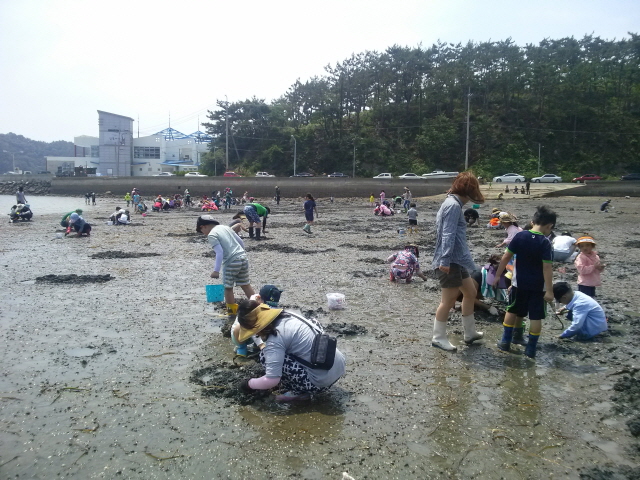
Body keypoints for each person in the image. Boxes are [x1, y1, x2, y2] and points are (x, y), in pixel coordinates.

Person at [236, 299, 346, 403]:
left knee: (264, 357)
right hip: (338, 367)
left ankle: (299, 393)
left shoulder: (275, 340)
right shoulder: (290, 315)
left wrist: (248, 384)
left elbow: (272, 380)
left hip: (320, 383)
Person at [431, 172, 485, 351]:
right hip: (449, 261)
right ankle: (438, 337)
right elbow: (447, 233)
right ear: (467, 191)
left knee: (470, 291)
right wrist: (445, 260)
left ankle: (470, 333)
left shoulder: (451, 203)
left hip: (457, 260)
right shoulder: (453, 206)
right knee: (448, 301)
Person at [494, 205, 557, 358]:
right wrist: (549, 291)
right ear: (550, 226)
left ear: (532, 221)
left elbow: (506, 257)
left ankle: (505, 342)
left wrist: (497, 275)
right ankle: (531, 349)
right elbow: (547, 268)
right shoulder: (545, 242)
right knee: (535, 317)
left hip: (518, 284)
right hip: (538, 287)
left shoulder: (520, 236)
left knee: (512, 310)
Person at [196, 215, 255, 315]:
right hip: (243, 258)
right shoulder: (226, 228)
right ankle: (258, 307)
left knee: (228, 288)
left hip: (231, 261)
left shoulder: (212, 235)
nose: (204, 234)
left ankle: (231, 312)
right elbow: (240, 242)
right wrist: (241, 253)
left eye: (202, 232)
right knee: (245, 284)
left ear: (203, 227)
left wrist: (216, 271)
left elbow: (219, 252)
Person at [230, 285, 284, 356]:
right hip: (239, 335)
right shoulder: (252, 307)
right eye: (266, 306)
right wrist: (261, 345)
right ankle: (241, 347)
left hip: (255, 333)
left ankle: (256, 346)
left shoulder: (260, 302)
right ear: (258, 298)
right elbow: (253, 327)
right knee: (238, 327)